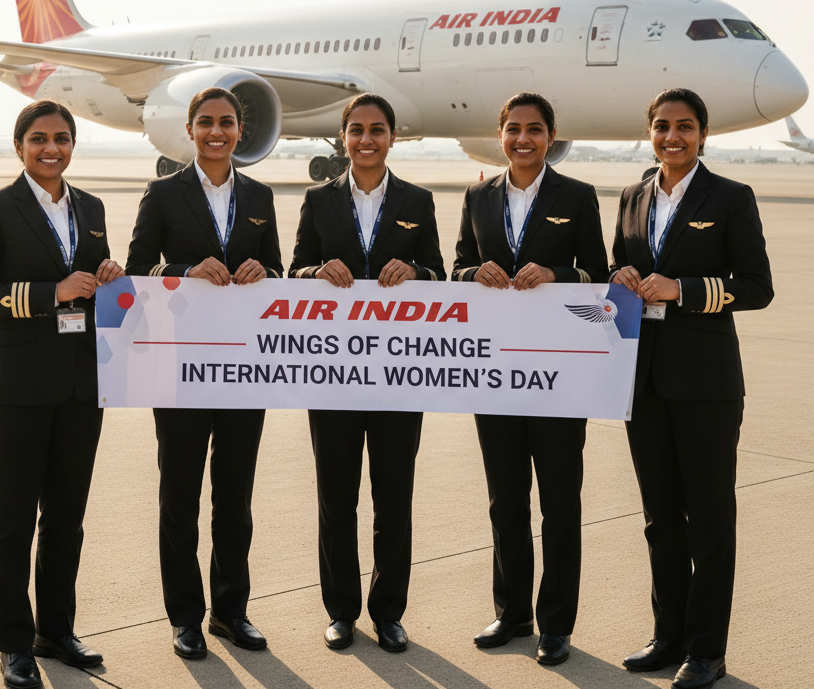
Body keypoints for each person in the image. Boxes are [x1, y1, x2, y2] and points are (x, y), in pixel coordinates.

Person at [0, 100, 125, 689]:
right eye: (38, 139)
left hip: (81, 386)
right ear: (20, 146)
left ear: (72, 145)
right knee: (11, 520)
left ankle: (56, 629)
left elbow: (92, 276)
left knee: (66, 517)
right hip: (17, 388)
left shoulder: (92, 207)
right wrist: (50, 292)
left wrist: (108, 274)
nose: (50, 148)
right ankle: (13, 643)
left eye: (60, 138)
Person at [612, 88, 773, 689]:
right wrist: (621, 276)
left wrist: (682, 289)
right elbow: (621, 271)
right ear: (649, 132)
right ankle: (669, 634)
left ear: (703, 135)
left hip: (705, 384)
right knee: (660, 519)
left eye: (684, 127)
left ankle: (707, 651)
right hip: (643, 381)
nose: (671, 136)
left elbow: (756, 286)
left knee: (708, 518)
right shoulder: (632, 197)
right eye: (661, 126)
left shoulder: (730, 197)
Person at [125, 87, 282, 662]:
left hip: (243, 371)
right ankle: (185, 616)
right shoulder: (164, 193)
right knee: (181, 496)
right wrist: (187, 270)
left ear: (240, 130)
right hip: (180, 369)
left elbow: (279, 271)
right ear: (190, 130)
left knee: (235, 498)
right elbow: (139, 266)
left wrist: (264, 269)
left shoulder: (261, 194)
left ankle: (231, 610)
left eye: (227, 123)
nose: (217, 132)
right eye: (206, 123)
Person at [452, 91, 608, 667]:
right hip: (496, 375)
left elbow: (600, 272)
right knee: (506, 500)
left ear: (550, 136)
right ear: (501, 135)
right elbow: (457, 265)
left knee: (560, 502)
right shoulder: (478, 195)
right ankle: (513, 611)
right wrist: (475, 271)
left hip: (560, 375)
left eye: (535, 130)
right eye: (514, 129)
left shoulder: (578, 196)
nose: (524, 139)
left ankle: (556, 623)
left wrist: (559, 273)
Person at [289, 92, 445, 653]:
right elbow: (293, 268)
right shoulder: (318, 199)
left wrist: (418, 270)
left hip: (398, 376)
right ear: (344, 136)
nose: (366, 140)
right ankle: (340, 611)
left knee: (393, 497)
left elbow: (440, 271)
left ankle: (389, 612)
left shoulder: (417, 200)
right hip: (333, 373)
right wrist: (314, 271)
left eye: (377, 130)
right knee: (337, 497)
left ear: (392, 137)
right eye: (356, 130)